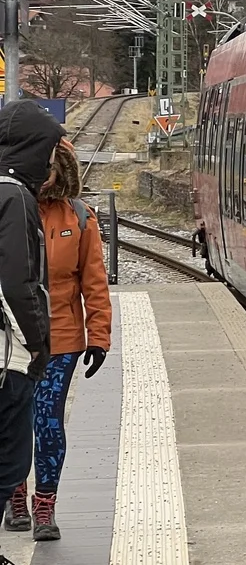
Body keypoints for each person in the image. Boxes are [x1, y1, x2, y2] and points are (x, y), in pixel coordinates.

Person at [2, 138, 111, 541]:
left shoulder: (79, 218)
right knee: (14, 422)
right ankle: (16, 493)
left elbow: (94, 283)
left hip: (61, 341)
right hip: (13, 339)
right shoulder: (10, 209)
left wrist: (99, 337)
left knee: (46, 421)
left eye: (50, 167)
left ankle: (44, 502)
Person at [0, 100, 65, 565]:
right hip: (7, 358)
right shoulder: (13, 197)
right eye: (44, 149)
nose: (47, 163)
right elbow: (17, 283)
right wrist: (38, 344)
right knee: (9, 461)